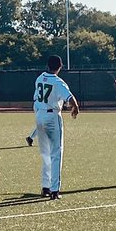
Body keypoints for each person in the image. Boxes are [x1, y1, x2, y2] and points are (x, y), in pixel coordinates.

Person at [33, 55, 79, 199]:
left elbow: (35, 98)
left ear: (47, 65)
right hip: (52, 116)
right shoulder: (58, 82)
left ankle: (45, 187)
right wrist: (75, 108)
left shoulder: (40, 78)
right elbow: (71, 99)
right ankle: (54, 190)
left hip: (40, 115)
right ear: (60, 66)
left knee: (45, 153)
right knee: (56, 153)